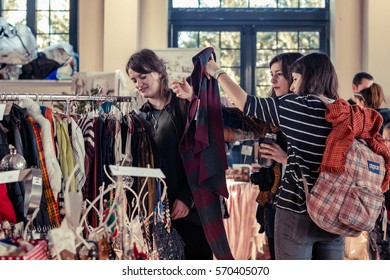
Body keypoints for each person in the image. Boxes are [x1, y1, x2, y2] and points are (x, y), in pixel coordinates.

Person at [205, 51, 344, 260]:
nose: (273, 80)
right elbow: (243, 120)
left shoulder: (296, 106)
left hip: (295, 208)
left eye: (291, 77)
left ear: (304, 76)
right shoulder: (341, 109)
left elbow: (246, 104)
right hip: (332, 207)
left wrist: (216, 71)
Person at [172, 52, 302, 260]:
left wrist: (284, 158)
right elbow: (234, 120)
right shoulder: (268, 116)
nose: (272, 79)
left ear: (296, 76)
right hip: (273, 205)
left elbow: (320, 163)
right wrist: (194, 98)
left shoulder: (308, 113)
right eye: (271, 74)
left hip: (302, 207)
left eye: (280, 74)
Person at [125, 48, 212, 259]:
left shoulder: (183, 105)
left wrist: (186, 198)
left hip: (191, 209)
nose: (138, 84)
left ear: (159, 73)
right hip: (158, 213)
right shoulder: (139, 117)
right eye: (134, 80)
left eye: (143, 76)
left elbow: (204, 153)